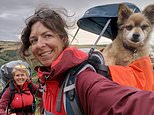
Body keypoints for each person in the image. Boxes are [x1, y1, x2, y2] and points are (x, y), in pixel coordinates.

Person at [19, 7, 154, 115]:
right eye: (34, 40)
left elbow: (125, 103)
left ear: (63, 39)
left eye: (47, 36)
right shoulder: (47, 77)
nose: (40, 44)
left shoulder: (83, 78)